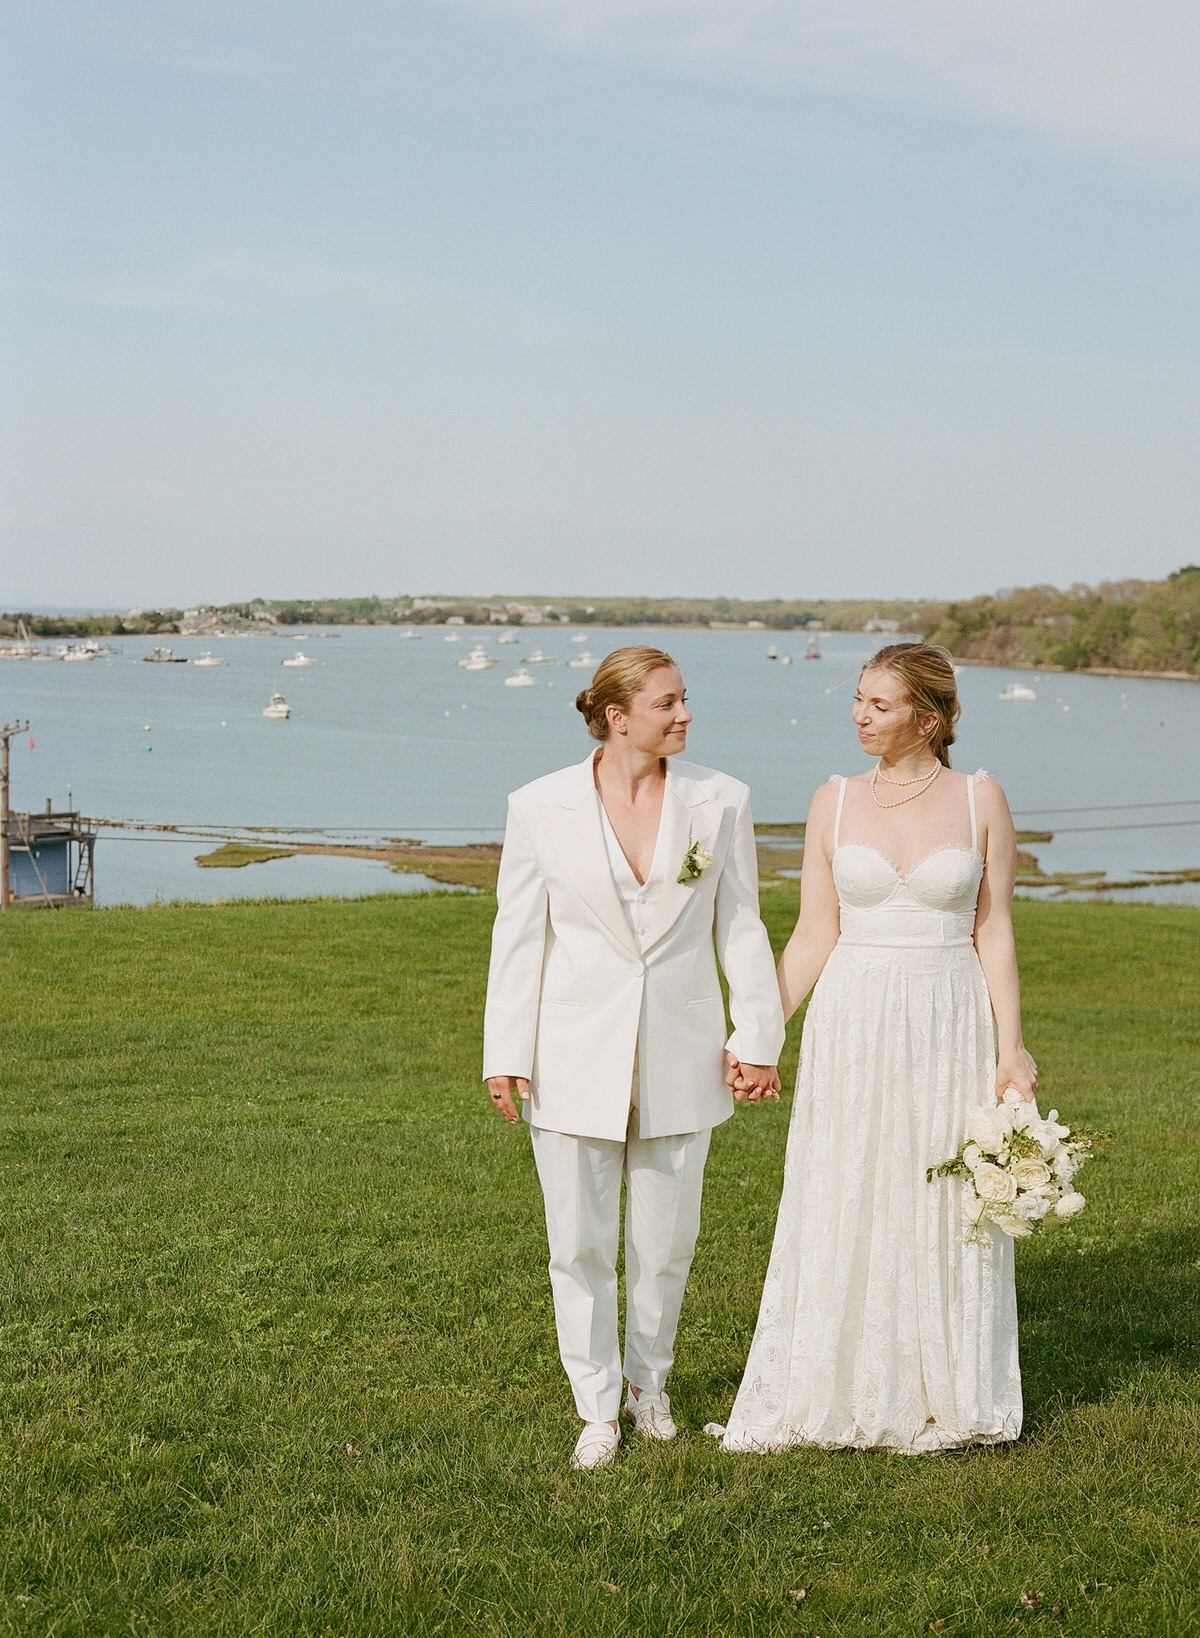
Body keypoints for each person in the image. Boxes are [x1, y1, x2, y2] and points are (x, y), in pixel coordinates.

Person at [721, 642, 1036, 1453]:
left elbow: (993, 927)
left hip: (947, 1014)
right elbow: (815, 930)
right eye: (858, 700)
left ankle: (947, 1385)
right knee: (847, 1181)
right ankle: (837, 1381)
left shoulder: (980, 798)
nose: (860, 716)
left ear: (927, 718)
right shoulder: (834, 798)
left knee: (936, 1192)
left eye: (879, 705)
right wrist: (760, 1035)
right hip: (852, 1017)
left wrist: (1013, 1049)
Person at [483, 646, 785, 1471]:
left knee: (666, 1241)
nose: (685, 715)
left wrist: (757, 1033)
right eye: (668, 703)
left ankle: (650, 1386)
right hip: (568, 1055)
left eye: (685, 700)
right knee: (576, 1244)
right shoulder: (539, 806)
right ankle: (596, 1409)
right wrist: (504, 1053)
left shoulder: (720, 802)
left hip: (684, 1052)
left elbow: (740, 924)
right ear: (618, 716)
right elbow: (518, 938)